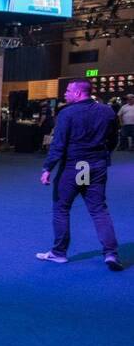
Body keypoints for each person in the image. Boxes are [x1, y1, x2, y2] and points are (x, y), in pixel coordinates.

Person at [35, 79, 122, 271]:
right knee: (99, 210)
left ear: (77, 93)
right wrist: (103, 154)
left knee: (61, 208)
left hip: (73, 167)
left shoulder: (67, 113)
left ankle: (59, 253)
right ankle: (111, 253)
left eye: (67, 91)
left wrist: (47, 168)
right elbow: (114, 138)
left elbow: (58, 144)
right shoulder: (107, 111)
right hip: (96, 166)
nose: (65, 94)